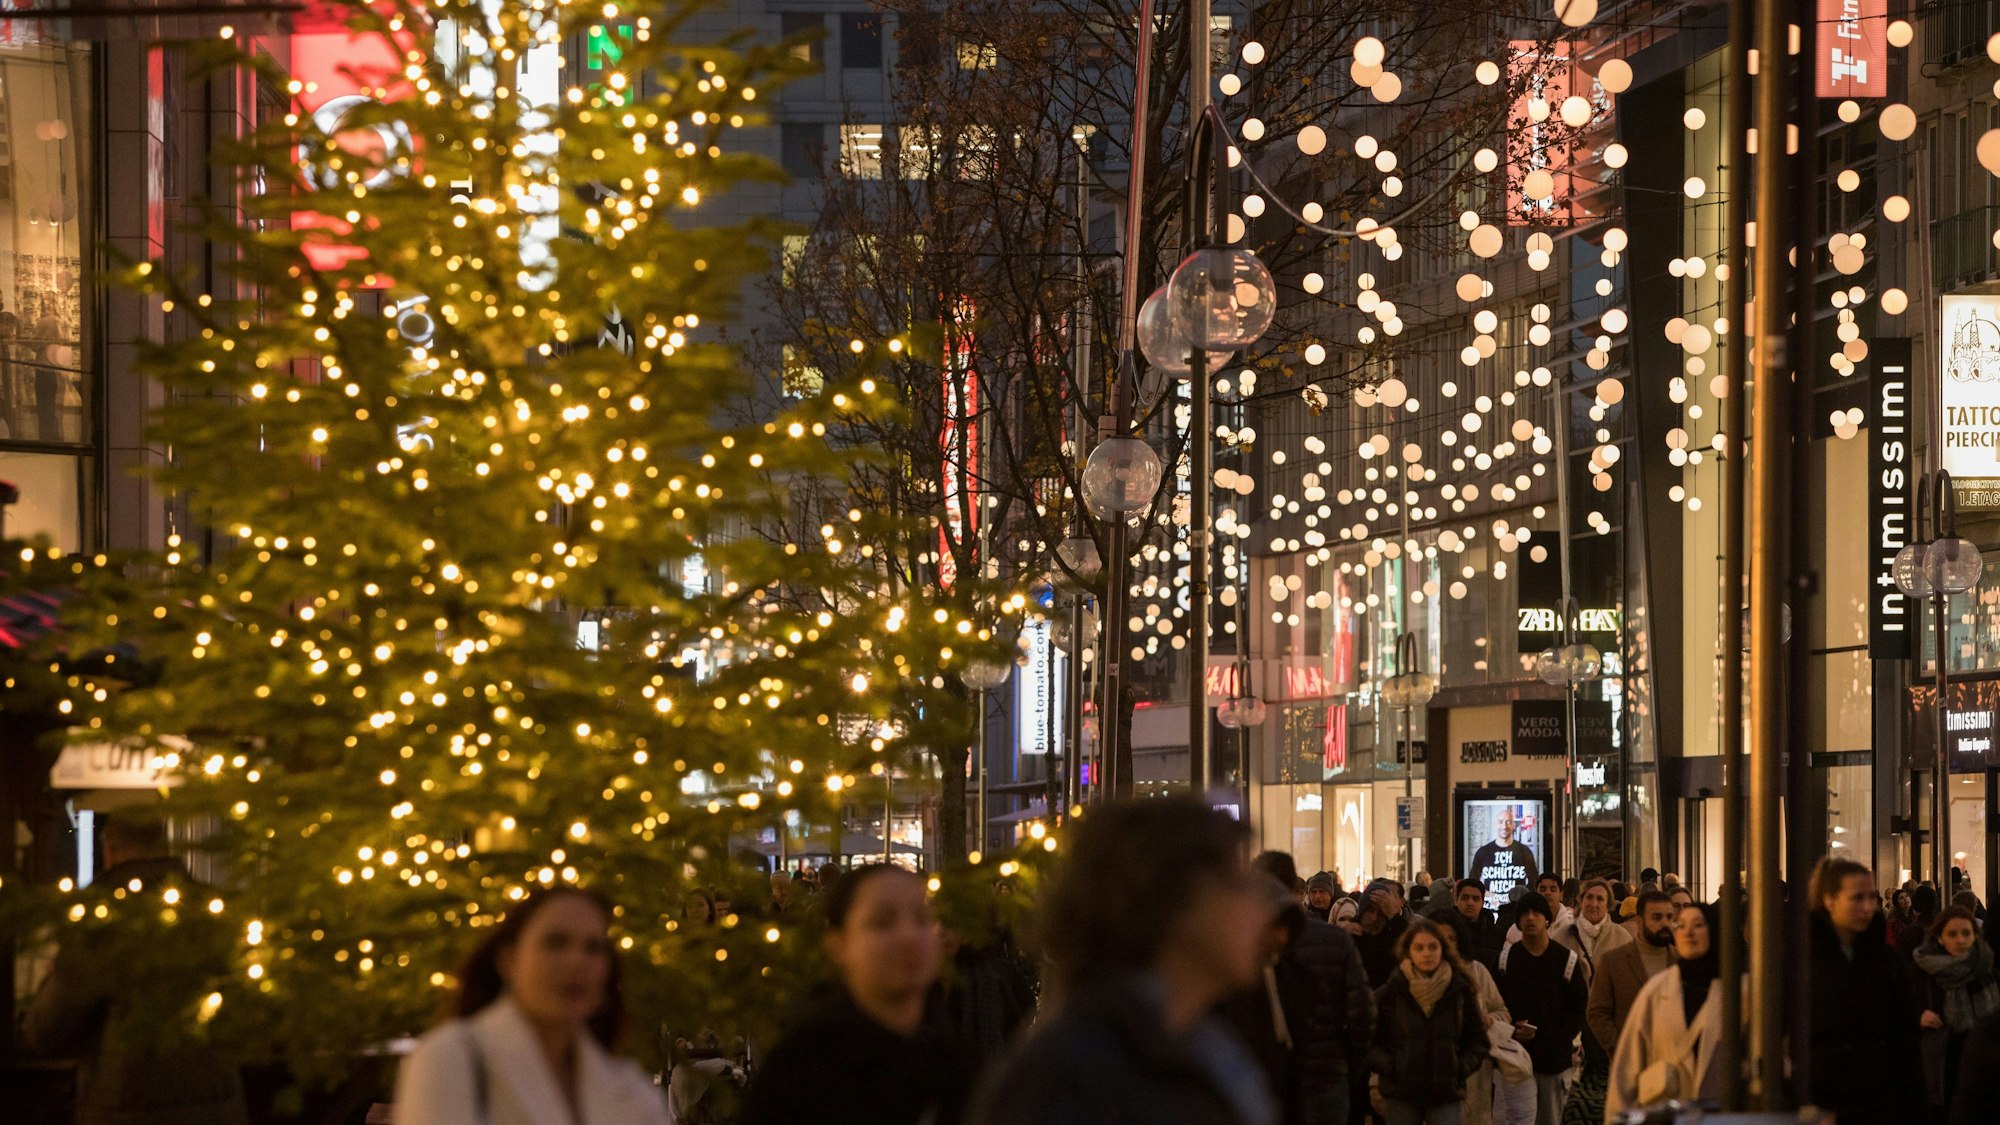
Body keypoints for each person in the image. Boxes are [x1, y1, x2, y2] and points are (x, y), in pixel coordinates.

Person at [970, 798, 1275, 1125]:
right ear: (1177, 902)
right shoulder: (1075, 1074)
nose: (1262, 905)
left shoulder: (1205, 1046)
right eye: (1239, 883)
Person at [25, 816, 251, 1125]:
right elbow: (250, 1018)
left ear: (111, 852)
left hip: (124, 1108)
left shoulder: (100, 923)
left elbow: (47, 1031)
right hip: (215, 1104)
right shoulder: (217, 911)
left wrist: (51, 979)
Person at [393, 888, 667, 1125]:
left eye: (593, 948)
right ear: (509, 959)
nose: (577, 961)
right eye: (556, 942)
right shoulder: (451, 1058)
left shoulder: (628, 1086)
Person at [743, 864, 969, 1125]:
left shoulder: (953, 1061)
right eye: (882, 922)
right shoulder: (804, 1068)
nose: (909, 936)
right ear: (839, 944)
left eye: (922, 918)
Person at [1224, 872, 1375, 1125]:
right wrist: (1347, 1066)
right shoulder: (1333, 940)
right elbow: (1362, 1015)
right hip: (1325, 1076)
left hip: (1285, 1081)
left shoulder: (1250, 954)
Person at [1805, 857, 1922, 1121]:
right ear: (1829, 900)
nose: (1868, 907)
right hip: (1819, 1099)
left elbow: (1905, 1042)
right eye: (1857, 898)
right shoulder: (1802, 959)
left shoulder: (1886, 961)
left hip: (1879, 1099)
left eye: (1872, 897)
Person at [1605, 903, 1733, 1116]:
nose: (1688, 932)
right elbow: (1628, 1065)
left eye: (1698, 925)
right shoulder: (1657, 989)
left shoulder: (1739, 991)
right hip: (1665, 1113)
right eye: (1680, 925)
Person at [1367, 918, 1487, 1125]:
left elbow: (1478, 1040)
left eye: (1433, 947)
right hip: (1401, 1092)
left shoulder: (1459, 991)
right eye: (1419, 948)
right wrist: (1391, 1067)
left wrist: (1458, 1067)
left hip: (1445, 1093)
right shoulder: (1392, 992)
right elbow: (1368, 1039)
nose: (1426, 954)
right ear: (1409, 952)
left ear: (1443, 949)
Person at [1492, 893, 1586, 1125]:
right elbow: (1495, 1006)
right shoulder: (1505, 960)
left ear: (1547, 918)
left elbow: (1577, 1010)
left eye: (1536, 913)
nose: (1530, 918)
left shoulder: (1566, 960)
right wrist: (1512, 1030)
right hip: (1513, 1058)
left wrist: (1552, 1036)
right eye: (1525, 914)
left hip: (1553, 1061)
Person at [1915, 905, 2000, 1113]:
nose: (1960, 940)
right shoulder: (1923, 974)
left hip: (1982, 1063)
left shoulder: (1989, 973)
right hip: (1941, 1063)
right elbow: (1901, 1012)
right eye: (1952, 934)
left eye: (1966, 933)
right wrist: (1919, 1016)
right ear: (1940, 938)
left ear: (1975, 936)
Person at [1585, 890, 1676, 1064]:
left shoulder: (1681, 961)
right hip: (1628, 1063)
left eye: (1669, 917)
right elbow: (1597, 1012)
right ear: (1640, 922)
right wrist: (1620, 1047)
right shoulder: (1613, 961)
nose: (1665, 923)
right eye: (1657, 918)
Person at [1468, 808, 1539, 912]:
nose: (1504, 826)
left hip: (1517, 911)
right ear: (1496, 825)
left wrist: (1521, 898)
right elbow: (1472, 882)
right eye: (1500, 822)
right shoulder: (1483, 852)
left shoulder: (1524, 851)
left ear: (1514, 825)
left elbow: (1534, 881)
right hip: (1489, 911)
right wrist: (1488, 896)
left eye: (1508, 822)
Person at [1354, 879, 1415, 988]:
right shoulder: (1349, 937)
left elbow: (1412, 942)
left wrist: (1394, 915)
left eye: (1381, 913)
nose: (1374, 918)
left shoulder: (1392, 939)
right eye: (1370, 911)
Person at [1438, 878, 1503, 970]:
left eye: (1475, 899)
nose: (1470, 903)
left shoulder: (1496, 934)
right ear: (1456, 900)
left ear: (1482, 903)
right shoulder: (1444, 931)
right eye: (1465, 898)